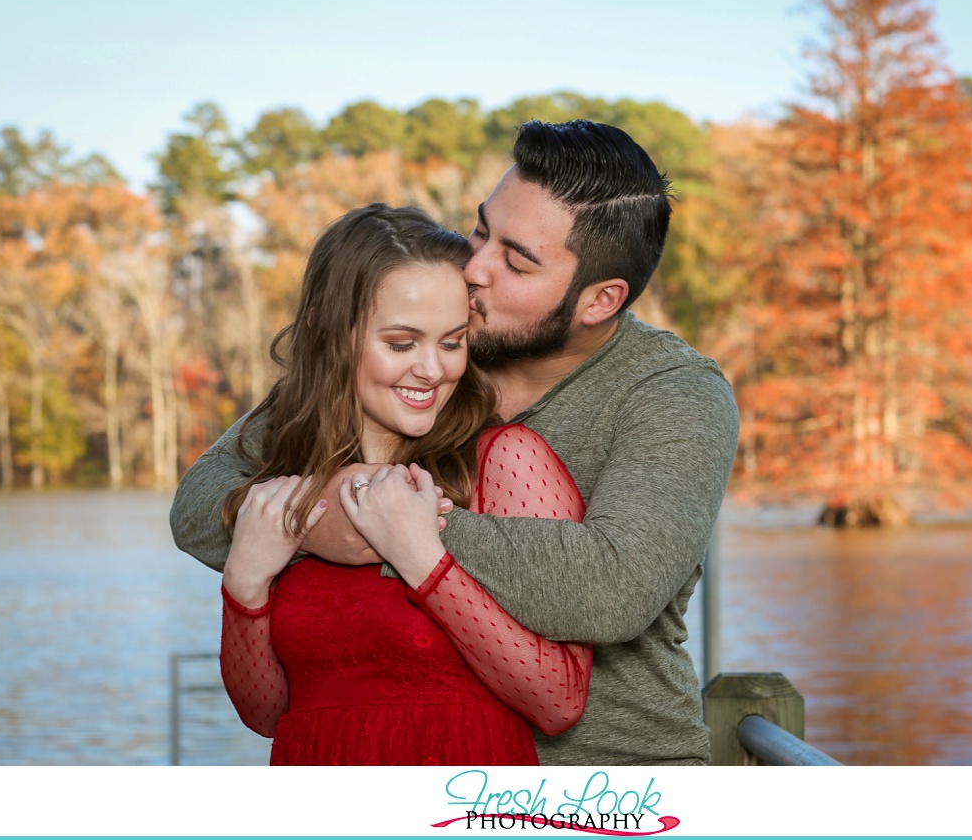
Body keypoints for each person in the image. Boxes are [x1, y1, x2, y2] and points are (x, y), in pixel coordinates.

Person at [172, 120, 741, 766]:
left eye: (515, 260)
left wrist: (391, 522)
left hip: (606, 784)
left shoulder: (673, 394)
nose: (473, 268)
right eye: (481, 230)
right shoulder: (432, 348)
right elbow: (198, 503)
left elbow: (612, 585)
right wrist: (316, 511)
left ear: (598, 300)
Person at [215, 203, 592, 765]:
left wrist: (421, 559)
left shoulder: (505, 462)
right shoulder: (292, 480)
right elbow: (269, 715)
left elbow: (559, 700)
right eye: (401, 343)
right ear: (328, 332)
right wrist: (243, 584)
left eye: (451, 341)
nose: (432, 369)